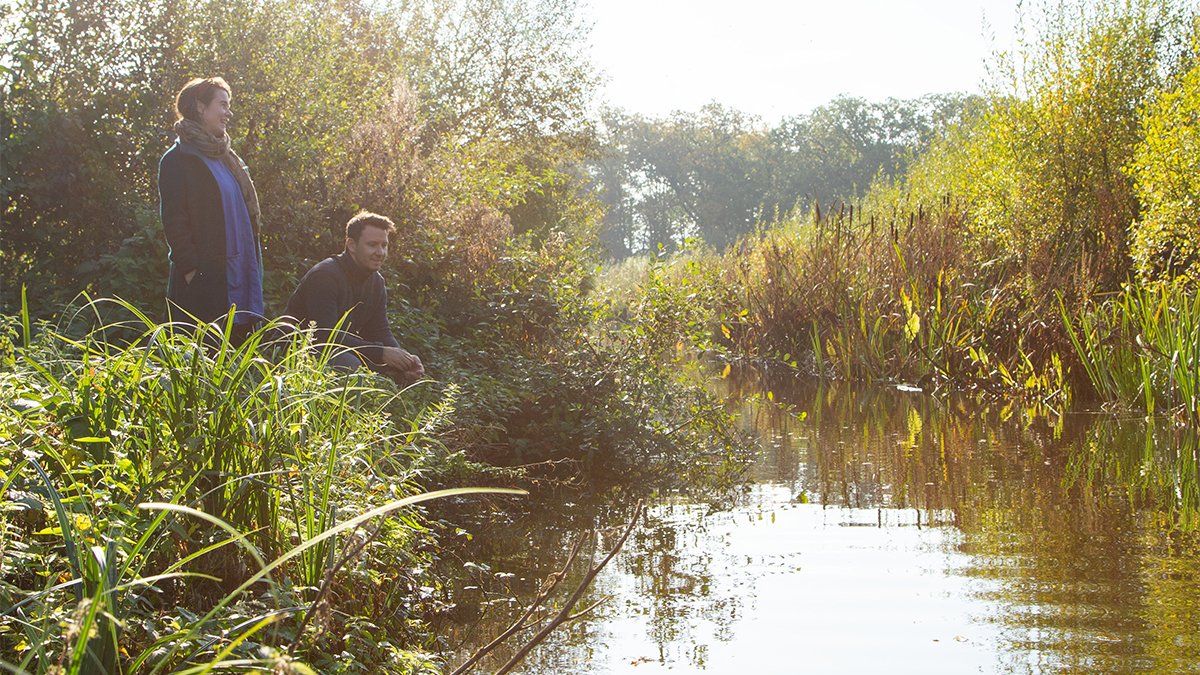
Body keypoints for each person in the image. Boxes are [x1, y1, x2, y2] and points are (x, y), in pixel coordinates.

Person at [158, 76, 264, 338]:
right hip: (205, 281)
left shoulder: (227, 157)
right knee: (203, 360)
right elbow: (174, 222)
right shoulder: (177, 160)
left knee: (238, 358)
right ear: (201, 107)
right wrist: (194, 272)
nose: (229, 113)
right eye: (223, 105)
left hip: (239, 274)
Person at [285, 211, 424, 383]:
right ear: (351, 245)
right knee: (350, 366)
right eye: (372, 245)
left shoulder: (376, 282)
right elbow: (325, 335)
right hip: (297, 352)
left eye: (384, 245)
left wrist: (404, 359)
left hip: (338, 349)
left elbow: (380, 330)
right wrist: (381, 353)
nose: (380, 252)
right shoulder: (325, 276)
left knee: (405, 373)